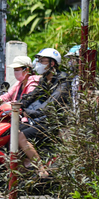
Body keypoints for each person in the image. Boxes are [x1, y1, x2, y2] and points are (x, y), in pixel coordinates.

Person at [15, 48, 71, 178]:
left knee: (20, 136)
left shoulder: (63, 80)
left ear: (52, 63)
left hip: (54, 122)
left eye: (42, 61)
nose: (39, 63)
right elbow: (32, 96)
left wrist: (30, 112)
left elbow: (52, 103)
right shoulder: (44, 80)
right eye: (38, 60)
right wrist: (17, 105)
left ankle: (41, 169)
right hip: (41, 120)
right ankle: (23, 167)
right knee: (10, 131)